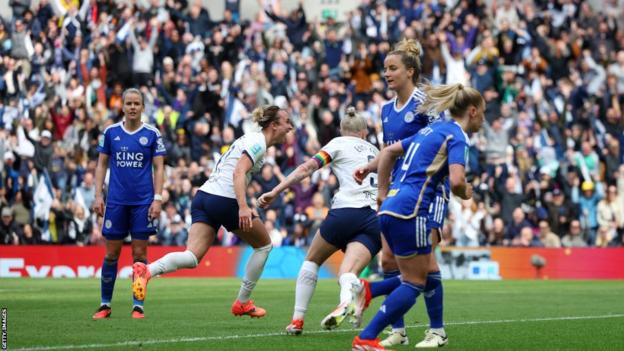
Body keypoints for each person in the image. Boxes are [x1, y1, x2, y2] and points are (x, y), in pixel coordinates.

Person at [352, 83, 484, 350]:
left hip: (390, 206)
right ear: (472, 111)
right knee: (414, 282)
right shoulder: (456, 136)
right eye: (483, 111)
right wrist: (466, 192)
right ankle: (367, 336)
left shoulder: (430, 130)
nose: (483, 117)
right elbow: (457, 181)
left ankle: (371, 293)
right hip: (413, 210)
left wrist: (382, 192)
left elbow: (388, 151)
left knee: (426, 270)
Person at [131, 105, 293, 318]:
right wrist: (243, 207)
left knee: (192, 257)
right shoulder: (258, 142)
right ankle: (242, 302)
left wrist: (245, 204)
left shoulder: (250, 138)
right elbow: (238, 172)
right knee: (264, 245)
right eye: (287, 122)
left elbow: (236, 172)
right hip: (224, 198)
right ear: (274, 125)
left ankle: (146, 271)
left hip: (204, 197)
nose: (290, 127)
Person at [352, 38, 448, 347]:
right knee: (388, 262)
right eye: (385, 69)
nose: (387, 74)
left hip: (428, 190)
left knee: (427, 263)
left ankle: (437, 330)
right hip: (398, 189)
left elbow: (441, 143)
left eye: (392, 68)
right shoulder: (385, 110)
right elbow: (389, 151)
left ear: (410, 71)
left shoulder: (426, 102)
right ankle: (398, 330)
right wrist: (370, 167)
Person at [257, 107, 381, 335]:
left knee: (312, 260)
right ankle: (347, 299)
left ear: (343, 130)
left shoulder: (337, 143)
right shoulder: (377, 150)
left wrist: (276, 190)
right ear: (364, 132)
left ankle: (297, 321)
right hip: (374, 217)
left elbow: (307, 169)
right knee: (348, 273)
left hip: (346, 212)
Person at [92, 88, 166, 320]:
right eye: (129, 103)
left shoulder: (152, 133)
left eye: (137, 103)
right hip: (116, 202)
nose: (133, 107)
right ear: (122, 107)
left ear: (143, 107)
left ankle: (138, 306)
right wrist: (97, 195)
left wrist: (157, 198)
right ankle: (105, 305)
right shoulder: (111, 132)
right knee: (112, 253)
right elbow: (101, 165)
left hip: (143, 203)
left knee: (139, 254)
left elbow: (160, 167)